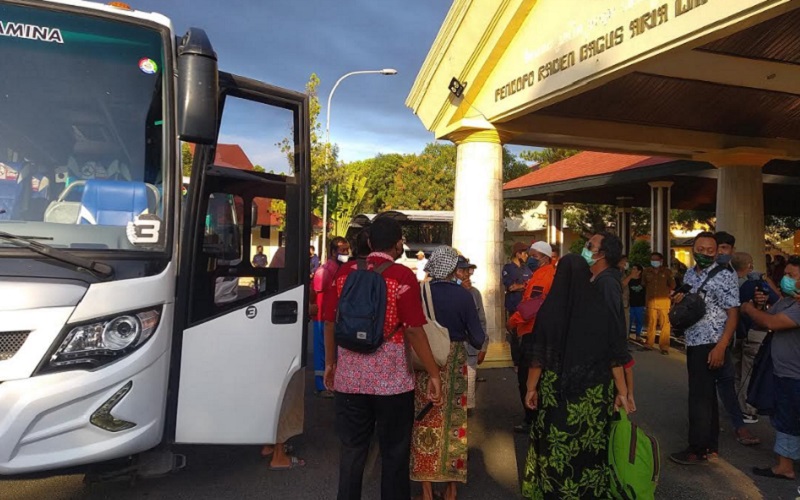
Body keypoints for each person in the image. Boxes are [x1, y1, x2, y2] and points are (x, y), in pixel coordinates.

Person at [323, 216, 442, 500]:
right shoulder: (401, 276)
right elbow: (413, 330)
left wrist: (331, 364)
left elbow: (329, 322)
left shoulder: (343, 273)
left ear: (369, 241)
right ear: (398, 243)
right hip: (393, 381)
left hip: (350, 378)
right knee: (394, 453)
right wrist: (433, 373)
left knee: (352, 451)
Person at [521, 254, 632, 499]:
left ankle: (556, 491)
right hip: (594, 390)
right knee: (591, 445)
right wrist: (622, 392)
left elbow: (539, 357)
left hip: (557, 390)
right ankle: (590, 492)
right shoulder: (601, 309)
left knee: (555, 443)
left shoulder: (549, 311)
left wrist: (531, 388)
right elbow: (614, 356)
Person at [411, 246, 486, 500]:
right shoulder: (464, 296)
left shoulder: (420, 292)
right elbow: (478, 338)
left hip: (425, 361)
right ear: (453, 269)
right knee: (454, 423)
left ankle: (426, 491)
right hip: (454, 362)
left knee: (424, 421)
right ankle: (451, 489)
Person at [669, 231, 740, 465]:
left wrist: (722, 346)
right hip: (693, 340)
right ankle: (709, 445)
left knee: (699, 397)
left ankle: (697, 449)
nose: (706, 254)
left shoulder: (726, 275)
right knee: (705, 395)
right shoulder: (690, 273)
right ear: (693, 249)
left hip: (711, 343)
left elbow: (733, 313)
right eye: (701, 249)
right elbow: (689, 299)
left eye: (711, 250)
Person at [744, 256, 800, 480]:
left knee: (788, 421)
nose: (786, 279)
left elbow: (771, 323)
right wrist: (759, 306)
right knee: (784, 418)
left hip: (795, 376)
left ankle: (785, 467)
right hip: (782, 372)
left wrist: (748, 308)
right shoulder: (787, 302)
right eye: (785, 274)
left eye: (792, 275)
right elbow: (764, 320)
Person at [712, 237, 761, 447]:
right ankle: (738, 414)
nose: (719, 252)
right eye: (717, 248)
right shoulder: (700, 274)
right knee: (733, 378)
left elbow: (732, 313)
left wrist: (723, 344)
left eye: (724, 248)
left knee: (728, 378)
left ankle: (737, 422)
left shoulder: (731, 277)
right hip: (718, 339)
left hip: (728, 339)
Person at [507, 241, 557, 433]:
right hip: (542, 331)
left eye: (534, 255)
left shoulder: (542, 277)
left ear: (545, 257)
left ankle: (532, 419)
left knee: (527, 378)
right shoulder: (546, 274)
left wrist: (513, 321)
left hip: (531, 331)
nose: (530, 258)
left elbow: (533, 306)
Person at [583, 232, 636, 411]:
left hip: (604, 364)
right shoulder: (596, 279)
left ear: (602, 254)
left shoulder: (606, 283)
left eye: (590, 246)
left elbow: (612, 327)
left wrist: (619, 377)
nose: (585, 248)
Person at [733, 252, 779, 423]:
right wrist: (765, 279)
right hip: (753, 334)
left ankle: (737, 404)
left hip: (734, 334)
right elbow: (778, 302)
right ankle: (748, 409)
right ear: (750, 266)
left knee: (737, 372)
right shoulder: (755, 284)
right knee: (749, 373)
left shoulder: (729, 283)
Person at [311, 236, 350, 398]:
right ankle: (322, 386)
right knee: (322, 351)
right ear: (333, 252)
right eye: (343, 250)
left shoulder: (339, 269)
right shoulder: (324, 271)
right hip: (321, 318)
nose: (346, 253)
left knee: (331, 351)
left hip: (334, 317)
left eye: (347, 250)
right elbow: (315, 293)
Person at [454, 255, 488, 411]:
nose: (466, 274)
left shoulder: (475, 293)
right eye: (461, 271)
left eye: (467, 271)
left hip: (471, 349)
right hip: (450, 348)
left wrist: (484, 346)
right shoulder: (447, 292)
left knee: (469, 387)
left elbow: (481, 321)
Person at [503, 241, 533, 365]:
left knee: (525, 335)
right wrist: (524, 285)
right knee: (515, 336)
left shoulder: (527, 269)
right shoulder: (508, 268)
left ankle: (524, 361)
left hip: (526, 308)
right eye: (525, 253)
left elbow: (531, 285)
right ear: (518, 254)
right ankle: (516, 362)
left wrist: (521, 286)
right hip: (514, 307)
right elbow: (511, 287)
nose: (527, 256)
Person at [643, 251, 676, 355]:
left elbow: (673, 285)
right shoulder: (647, 271)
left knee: (665, 325)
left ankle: (664, 346)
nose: (654, 262)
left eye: (656, 260)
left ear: (661, 261)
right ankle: (649, 344)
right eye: (652, 260)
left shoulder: (667, 272)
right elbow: (643, 284)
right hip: (651, 301)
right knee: (651, 323)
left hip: (664, 302)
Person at [626, 264, 646, 340]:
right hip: (630, 303)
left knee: (639, 320)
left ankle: (638, 335)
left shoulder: (643, 281)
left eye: (634, 269)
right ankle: (627, 335)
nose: (632, 270)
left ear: (639, 271)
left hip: (640, 304)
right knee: (629, 321)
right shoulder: (629, 280)